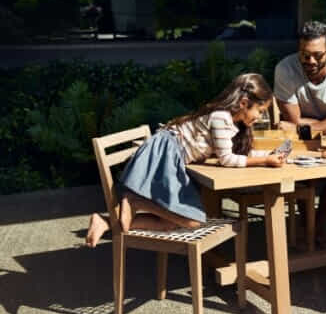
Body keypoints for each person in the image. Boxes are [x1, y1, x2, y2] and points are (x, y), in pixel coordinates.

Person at [85, 73, 285, 247]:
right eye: (260, 110)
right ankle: (136, 201)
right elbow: (226, 159)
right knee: (191, 220)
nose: (260, 116)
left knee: (173, 221)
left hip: (173, 156)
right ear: (243, 103)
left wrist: (268, 155)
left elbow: (231, 153)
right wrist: (265, 160)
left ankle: (106, 221)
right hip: (167, 154)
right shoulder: (221, 118)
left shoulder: (229, 121)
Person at [273, 20, 326, 246]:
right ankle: (311, 228)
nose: (310, 61)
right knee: (304, 176)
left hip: (322, 133)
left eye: (318, 55)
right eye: (304, 55)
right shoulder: (285, 69)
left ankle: (316, 227)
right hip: (304, 134)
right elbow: (293, 121)